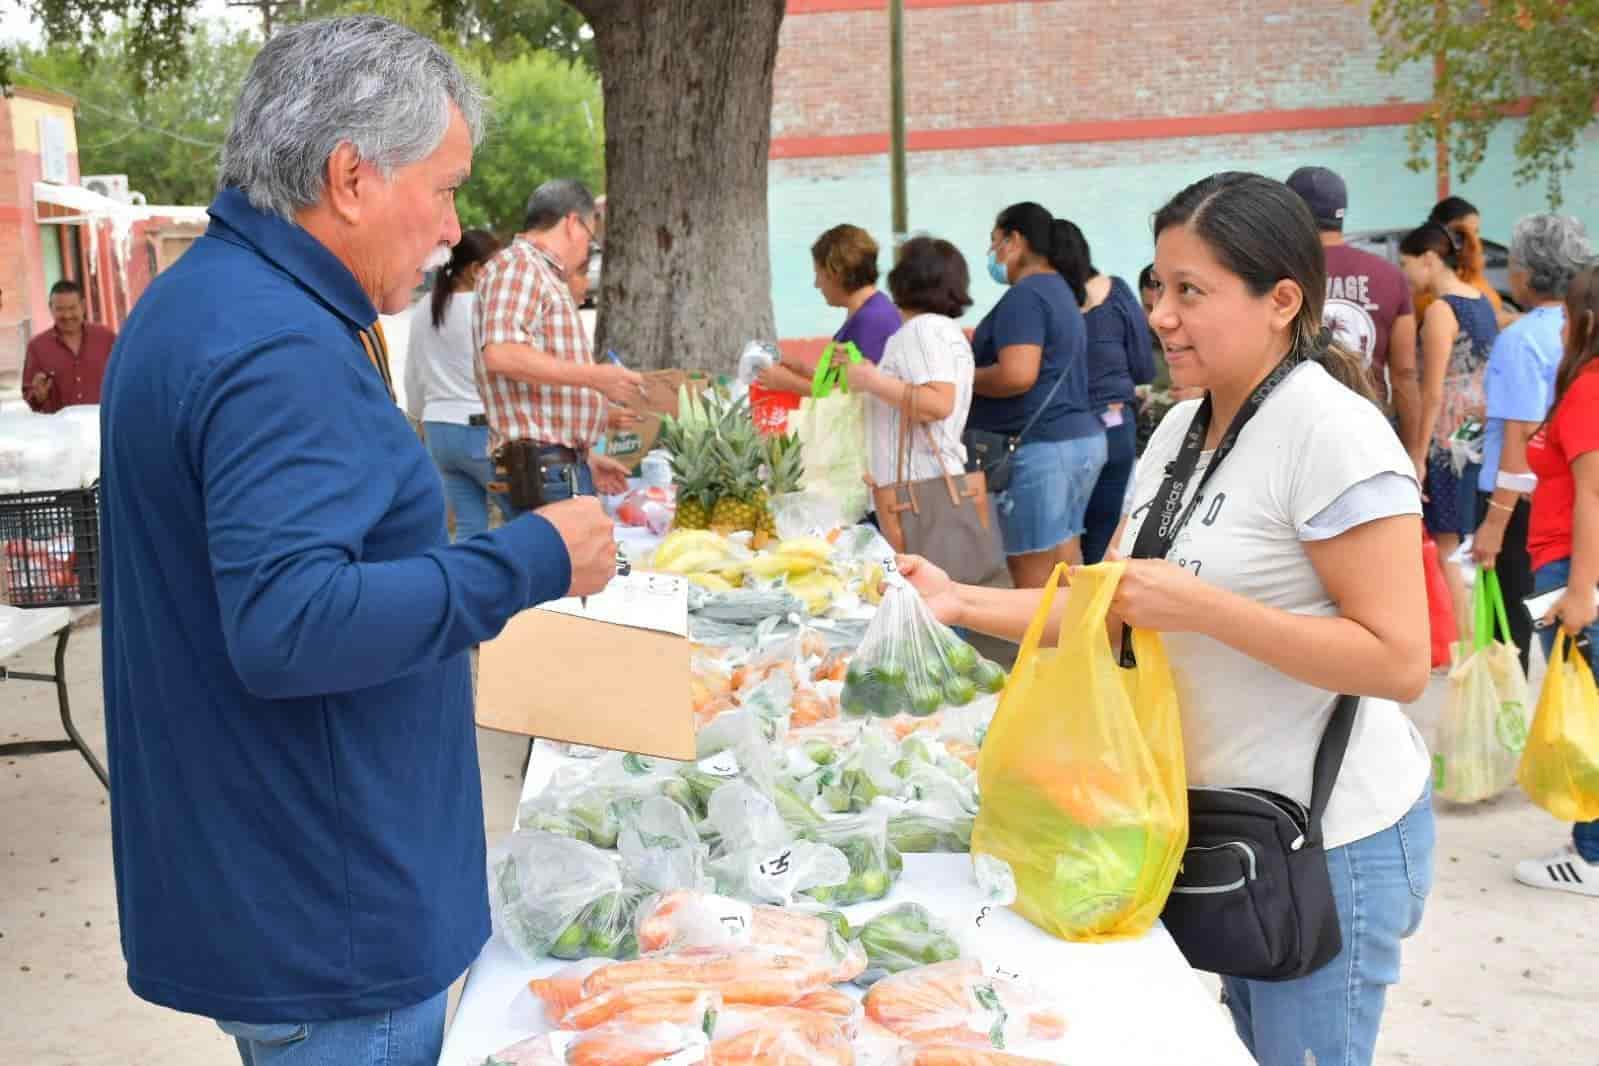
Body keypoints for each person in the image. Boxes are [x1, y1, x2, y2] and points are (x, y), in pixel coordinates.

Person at [97, 18, 619, 1066]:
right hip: (327, 913)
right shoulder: (274, 341)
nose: (452, 225)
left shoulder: (216, 299)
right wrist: (534, 559)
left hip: (281, 881)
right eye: (445, 186)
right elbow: (291, 626)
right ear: (350, 177)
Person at [900, 171, 1433, 1066]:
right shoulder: (1179, 430)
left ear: (1281, 301)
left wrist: (1208, 611)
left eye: (1191, 291)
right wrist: (954, 600)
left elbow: (1396, 660)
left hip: (1328, 842)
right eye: (1157, 286)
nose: (1161, 315)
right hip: (1225, 831)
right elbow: (1109, 605)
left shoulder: (1330, 432)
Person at [1469, 215, 1592, 673]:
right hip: (1566, 500)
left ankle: (1520, 726)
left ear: (1529, 272)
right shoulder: (1579, 327)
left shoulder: (1520, 340)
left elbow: (1519, 441)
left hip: (1523, 507)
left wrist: (1493, 527)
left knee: (1516, 638)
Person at [474, 179, 640, 503]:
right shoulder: (520, 266)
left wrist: (585, 458)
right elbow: (502, 353)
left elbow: (539, 404)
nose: (586, 250)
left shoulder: (537, 272)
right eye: (590, 238)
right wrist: (597, 377)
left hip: (553, 464)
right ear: (573, 223)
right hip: (541, 467)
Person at [1516, 261, 1599, 896]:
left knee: (1587, 714)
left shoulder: (1591, 388)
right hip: (1569, 563)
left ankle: (1591, 855)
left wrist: (1580, 593)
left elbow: (1592, 493)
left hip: (1573, 568)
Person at [970, 201, 1106, 586]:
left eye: (994, 242)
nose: (992, 254)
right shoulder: (1061, 289)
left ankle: (1039, 647)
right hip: (1076, 442)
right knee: (1065, 571)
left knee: (1034, 580)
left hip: (1042, 449)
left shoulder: (1025, 296)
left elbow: (1017, 374)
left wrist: (964, 378)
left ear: (1015, 240)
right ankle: (1072, 647)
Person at [1400, 220, 1500, 638]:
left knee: (1447, 547)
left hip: (1448, 442)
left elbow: (1433, 390)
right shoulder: (1481, 301)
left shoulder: (1443, 311)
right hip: (1478, 432)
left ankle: (1461, 642)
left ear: (1429, 259)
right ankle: (1472, 637)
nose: (1405, 274)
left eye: (1407, 264)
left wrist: (1419, 455)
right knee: (1464, 543)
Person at [1286, 166, 1421, 461]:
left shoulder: (1277, 274)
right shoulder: (1389, 276)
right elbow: (1405, 374)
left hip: (1296, 433)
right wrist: (1414, 456)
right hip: (1370, 432)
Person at [1054, 219, 1155, 563]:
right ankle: (1099, 615)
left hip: (1063, 436)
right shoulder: (1118, 293)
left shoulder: (1046, 305)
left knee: (1060, 542)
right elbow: (1143, 366)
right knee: (1103, 541)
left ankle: (1062, 612)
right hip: (1114, 425)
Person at [404, 228, 506, 539]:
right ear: (476, 270)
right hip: (482, 432)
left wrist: (419, 417)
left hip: (439, 432)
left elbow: (413, 375)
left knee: (468, 528)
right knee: (522, 520)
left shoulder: (424, 309)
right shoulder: (487, 309)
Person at [760, 223, 901, 394]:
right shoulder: (866, 310)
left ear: (836, 273)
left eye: (818, 274)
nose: (817, 284)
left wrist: (788, 383)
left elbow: (854, 397)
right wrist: (801, 368)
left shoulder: (873, 319)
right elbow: (842, 380)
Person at [22, 279, 116, 413]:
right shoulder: (36, 347)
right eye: (60, 309)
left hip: (101, 426)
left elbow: (123, 378)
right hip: (59, 430)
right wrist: (38, 396)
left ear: (83, 306)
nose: (67, 315)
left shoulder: (107, 338)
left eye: (72, 308)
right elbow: (29, 395)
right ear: (51, 308)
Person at [1420, 196, 1514, 328]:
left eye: (1476, 233)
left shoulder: (1469, 273)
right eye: (1466, 234)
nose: (1475, 242)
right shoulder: (1432, 284)